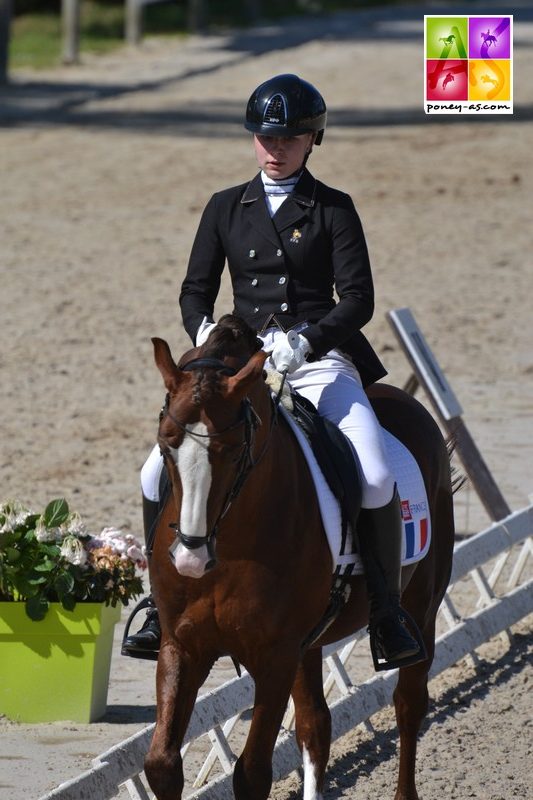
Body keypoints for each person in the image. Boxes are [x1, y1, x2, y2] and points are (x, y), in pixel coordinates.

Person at [122, 73, 423, 671]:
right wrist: (205, 334)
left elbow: (357, 298)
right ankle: (160, 605)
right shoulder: (225, 206)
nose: (275, 148)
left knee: (373, 475)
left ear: (313, 140)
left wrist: (307, 341)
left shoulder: (333, 207)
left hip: (317, 360)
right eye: (265, 137)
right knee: (155, 469)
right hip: (240, 364)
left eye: (289, 138)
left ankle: (386, 612)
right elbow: (194, 290)